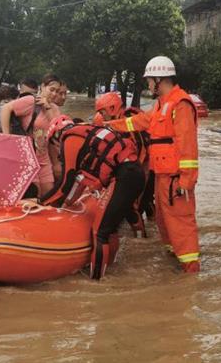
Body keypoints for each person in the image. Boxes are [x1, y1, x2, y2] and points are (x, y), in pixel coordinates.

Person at [104, 56, 200, 273]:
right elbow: (138, 122)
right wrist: (109, 126)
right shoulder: (161, 104)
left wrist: (186, 179)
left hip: (176, 178)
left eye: (149, 80)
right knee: (164, 221)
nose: (147, 84)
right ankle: (175, 260)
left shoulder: (180, 103)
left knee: (181, 223)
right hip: (162, 174)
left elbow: (188, 146)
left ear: (159, 79)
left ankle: (191, 271)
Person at [42, 116, 145, 279]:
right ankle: (141, 242)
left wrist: (42, 204)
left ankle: (96, 281)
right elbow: (78, 182)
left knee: (100, 232)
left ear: (56, 136)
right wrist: (66, 204)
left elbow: (64, 185)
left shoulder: (69, 139)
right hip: (135, 173)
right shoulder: (88, 135)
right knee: (122, 213)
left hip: (124, 178)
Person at [93, 92, 148, 237]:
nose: (101, 114)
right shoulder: (113, 124)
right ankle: (142, 235)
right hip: (135, 169)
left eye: (102, 111)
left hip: (143, 168)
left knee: (138, 205)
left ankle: (142, 239)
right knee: (130, 205)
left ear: (111, 108)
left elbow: (140, 152)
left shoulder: (127, 125)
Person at [0, 73, 61, 196]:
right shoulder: (31, 101)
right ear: (42, 87)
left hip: (44, 160)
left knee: (48, 196)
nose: (54, 94)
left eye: (57, 91)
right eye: (51, 89)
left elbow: (58, 130)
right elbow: (6, 109)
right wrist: (6, 136)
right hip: (27, 159)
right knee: (34, 196)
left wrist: (47, 106)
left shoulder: (54, 108)